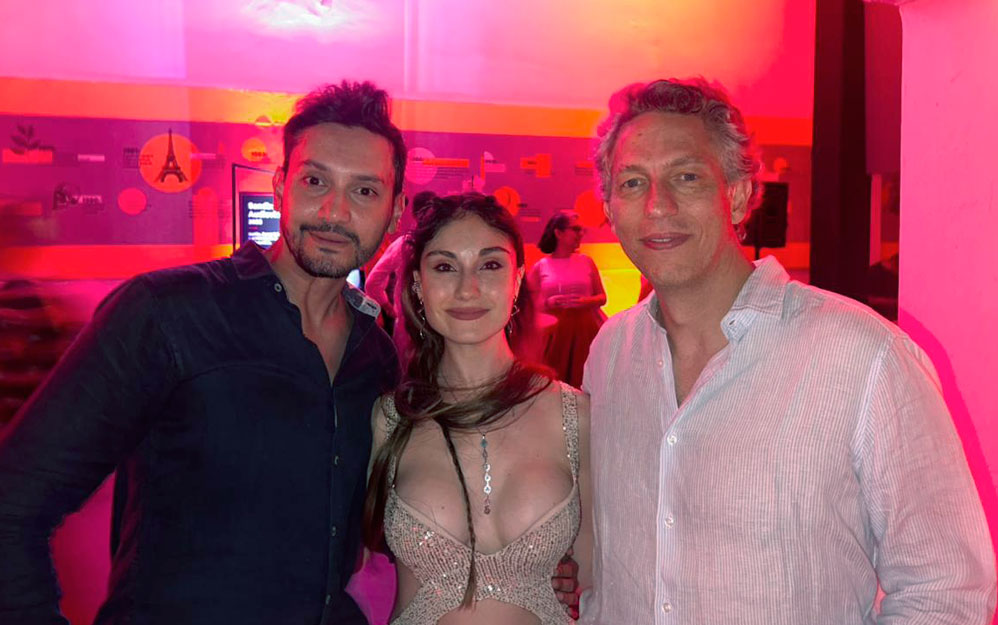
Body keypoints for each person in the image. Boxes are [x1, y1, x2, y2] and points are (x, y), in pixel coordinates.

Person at [580, 78, 996, 624]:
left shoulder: (863, 356)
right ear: (610, 208)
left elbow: (947, 589)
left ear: (737, 195)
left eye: (686, 177)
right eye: (633, 183)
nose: (658, 206)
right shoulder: (610, 355)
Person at [0, 81, 407, 625]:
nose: (334, 211)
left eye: (365, 191)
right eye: (315, 181)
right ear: (281, 185)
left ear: (395, 212)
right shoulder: (167, 313)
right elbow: (13, 503)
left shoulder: (376, 358)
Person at [364, 192, 592, 624]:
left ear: (517, 280)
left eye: (490, 265)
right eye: (445, 267)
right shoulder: (388, 421)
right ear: (418, 285)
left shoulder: (575, 416)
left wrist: (577, 586)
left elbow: (599, 584)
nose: (467, 289)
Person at [527, 210, 606, 387]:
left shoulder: (586, 261)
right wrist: (548, 303)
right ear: (559, 233)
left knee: (588, 380)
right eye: (576, 229)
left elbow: (602, 297)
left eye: (582, 230)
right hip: (555, 336)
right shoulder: (541, 266)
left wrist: (586, 302)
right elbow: (527, 305)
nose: (581, 234)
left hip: (586, 331)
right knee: (556, 382)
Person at [366, 190, 439, 363]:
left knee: (408, 372)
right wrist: (388, 307)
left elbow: (372, 283)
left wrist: (388, 307)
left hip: (410, 326)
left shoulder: (403, 245)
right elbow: (372, 283)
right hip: (432, 325)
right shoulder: (441, 246)